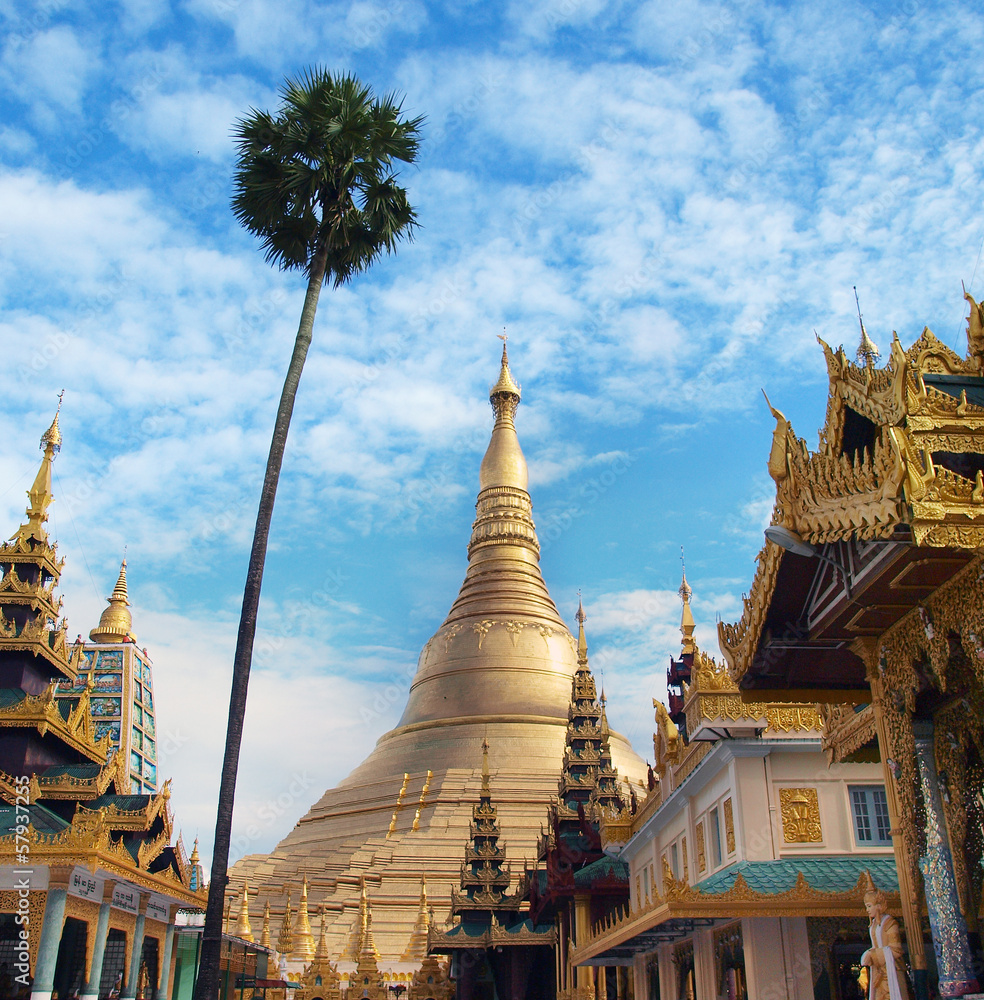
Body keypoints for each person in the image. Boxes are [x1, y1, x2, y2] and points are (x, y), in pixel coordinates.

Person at [861, 887, 910, 1000]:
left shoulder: (890, 924)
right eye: (866, 907)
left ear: (878, 906)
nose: (867, 910)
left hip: (892, 969)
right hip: (879, 971)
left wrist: (873, 954)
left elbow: (896, 949)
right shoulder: (873, 926)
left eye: (869, 906)